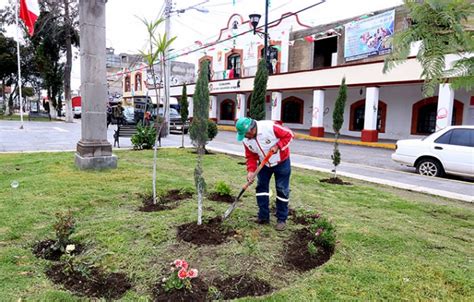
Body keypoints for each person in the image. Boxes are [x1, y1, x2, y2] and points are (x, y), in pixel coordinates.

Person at [235, 117, 294, 231]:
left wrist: (278, 146)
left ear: (251, 130)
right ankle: (263, 217)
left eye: (245, 134)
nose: (245, 137)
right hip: (264, 164)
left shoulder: (270, 127)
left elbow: (289, 135)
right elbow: (251, 156)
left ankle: (281, 219)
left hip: (281, 162)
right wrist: (251, 171)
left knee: (282, 189)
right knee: (261, 188)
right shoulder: (246, 140)